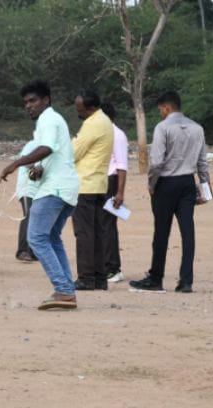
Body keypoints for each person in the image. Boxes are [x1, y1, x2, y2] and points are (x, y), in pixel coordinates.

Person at [0, 80, 79, 310]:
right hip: (64, 187)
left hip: (55, 189)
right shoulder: (50, 122)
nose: (29, 106)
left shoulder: (49, 119)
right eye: (25, 102)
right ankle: (67, 290)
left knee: (36, 238)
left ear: (46, 100)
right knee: (52, 238)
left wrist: (16, 163)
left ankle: (63, 290)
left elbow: (47, 148)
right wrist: (38, 169)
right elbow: (51, 153)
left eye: (33, 100)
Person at [129, 91, 210, 293]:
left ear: (166, 108)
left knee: (161, 233)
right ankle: (186, 281)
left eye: (160, 110)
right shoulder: (197, 128)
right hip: (187, 183)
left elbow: (156, 161)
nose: (160, 114)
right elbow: (202, 163)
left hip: (166, 183)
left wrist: (151, 183)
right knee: (187, 232)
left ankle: (156, 278)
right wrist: (206, 191)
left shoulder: (163, 128)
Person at [72, 90, 114, 291]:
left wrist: (71, 141)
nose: (78, 113)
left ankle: (86, 278)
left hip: (85, 184)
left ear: (91, 108)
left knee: (84, 233)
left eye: (80, 110)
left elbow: (74, 152)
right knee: (97, 232)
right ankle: (99, 277)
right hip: (99, 184)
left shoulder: (92, 124)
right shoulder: (105, 121)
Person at [99, 102, 128, 283]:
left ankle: (113, 268)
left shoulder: (117, 135)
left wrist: (120, 192)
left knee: (108, 225)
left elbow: (122, 166)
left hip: (111, 181)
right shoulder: (101, 133)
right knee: (99, 225)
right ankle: (103, 264)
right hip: (99, 182)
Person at [14, 141, 39, 262]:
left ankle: (33, 251)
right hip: (27, 189)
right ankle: (23, 250)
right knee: (28, 216)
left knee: (38, 218)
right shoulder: (33, 144)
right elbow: (25, 160)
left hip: (40, 191)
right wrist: (35, 168)